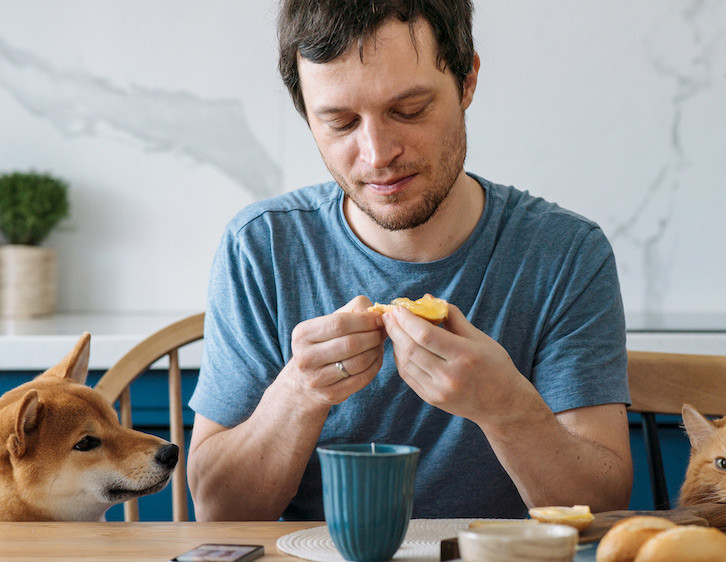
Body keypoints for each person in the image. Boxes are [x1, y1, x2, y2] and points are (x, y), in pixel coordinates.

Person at [186, 0, 632, 521]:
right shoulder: (261, 247)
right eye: (340, 121)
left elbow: (600, 509)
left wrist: (507, 406)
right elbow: (218, 512)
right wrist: (299, 393)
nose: (377, 154)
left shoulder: (565, 253)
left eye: (410, 110)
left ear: (466, 81)